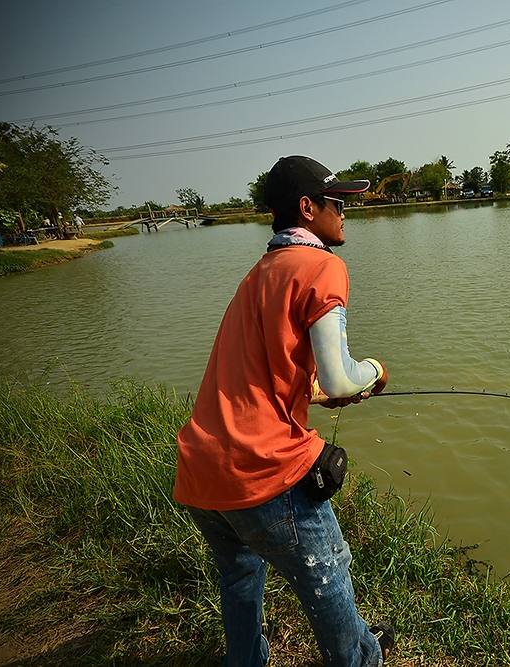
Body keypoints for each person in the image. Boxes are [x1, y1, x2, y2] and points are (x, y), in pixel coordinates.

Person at [174, 155, 393, 667]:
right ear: (306, 208)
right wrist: (375, 372)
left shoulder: (258, 275)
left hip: (204, 467)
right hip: (261, 467)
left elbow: (268, 373)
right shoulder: (323, 267)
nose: (344, 213)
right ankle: (360, 659)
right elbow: (342, 376)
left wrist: (314, 391)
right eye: (336, 203)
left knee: (240, 575)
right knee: (328, 571)